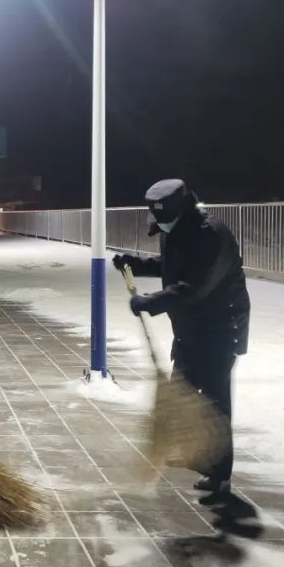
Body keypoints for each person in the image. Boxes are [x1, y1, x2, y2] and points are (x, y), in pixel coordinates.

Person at [113, 179, 250, 497]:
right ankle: (193, 449)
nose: (162, 227)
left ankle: (219, 473)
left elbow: (195, 285)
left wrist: (151, 302)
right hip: (191, 328)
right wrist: (136, 264)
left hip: (219, 328)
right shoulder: (177, 228)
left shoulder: (211, 235)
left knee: (214, 400)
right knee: (182, 390)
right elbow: (172, 267)